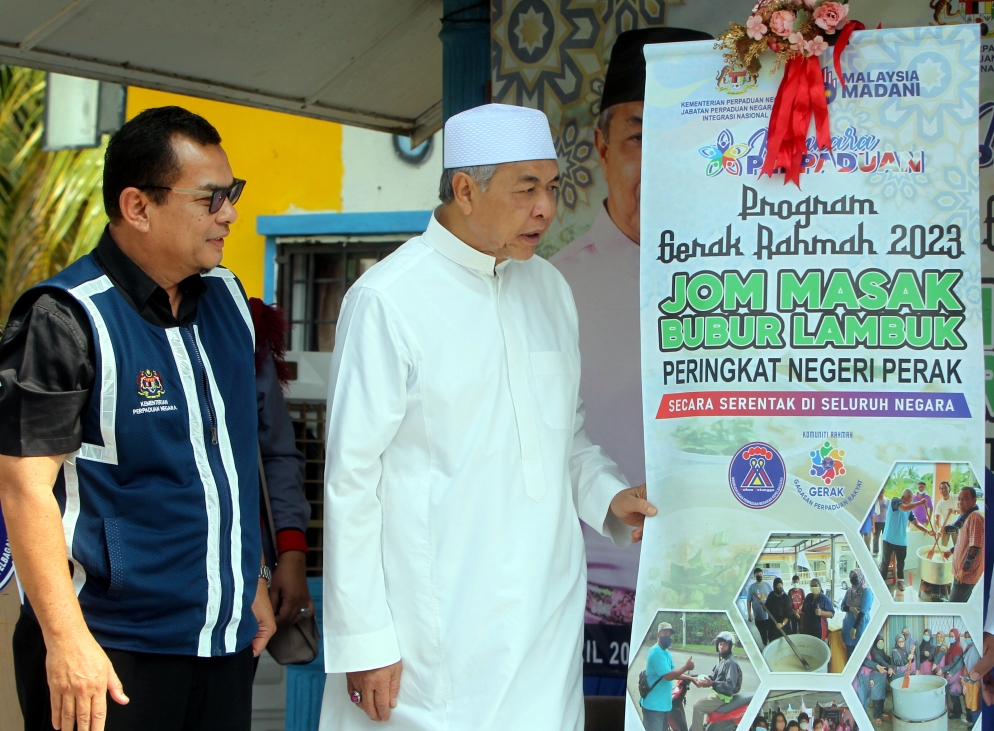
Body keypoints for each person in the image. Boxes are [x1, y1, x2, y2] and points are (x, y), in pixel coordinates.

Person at [317, 103, 654, 730]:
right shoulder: (388, 300)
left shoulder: (550, 289)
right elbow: (351, 481)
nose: (546, 209)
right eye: (526, 189)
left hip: (543, 629)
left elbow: (564, 435)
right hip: (434, 635)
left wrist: (609, 496)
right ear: (465, 190)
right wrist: (365, 640)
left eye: (552, 187)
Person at [0, 106, 275, 731]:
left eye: (232, 194)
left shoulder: (228, 299)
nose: (229, 213)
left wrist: (245, 577)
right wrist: (66, 642)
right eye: (211, 198)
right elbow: (22, 486)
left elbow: (228, 461)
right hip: (109, 654)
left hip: (223, 646)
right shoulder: (64, 318)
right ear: (138, 207)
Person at [548, 28, 712, 670]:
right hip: (589, 604)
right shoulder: (555, 285)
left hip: (720, 591)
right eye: (642, 138)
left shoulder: (756, 283)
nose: (661, 163)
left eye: (683, 138)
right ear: (603, 147)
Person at [249, 298, 312, 627]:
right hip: (135, 586)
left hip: (246, 580)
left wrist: (291, 552)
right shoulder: (90, 312)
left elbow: (274, 452)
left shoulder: (241, 322)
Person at [640, 622, 694, 731]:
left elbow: (674, 673)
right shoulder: (656, 652)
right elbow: (668, 676)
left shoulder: (666, 652)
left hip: (665, 705)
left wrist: (691, 678)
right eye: (665, 633)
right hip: (653, 707)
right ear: (658, 634)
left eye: (669, 635)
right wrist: (686, 667)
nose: (668, 637)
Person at [684, 631, 742, 731]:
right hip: (717, 694)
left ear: (730, 646)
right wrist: (700, 679)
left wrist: (712, 683)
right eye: (720, 644)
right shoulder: (722, 659)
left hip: (721, 697)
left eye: (724, 644)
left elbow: (729, 686)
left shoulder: (731, 662)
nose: (721, 647)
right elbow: (713, 676)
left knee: (698, 707)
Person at [942, 486, 985, 602]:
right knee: (958, 598)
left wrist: (963, 570)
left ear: (974, 500)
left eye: (965, 499)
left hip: (965, 576)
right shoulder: (966, 517)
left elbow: (975, 547)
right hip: (961, 573)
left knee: (955, 605)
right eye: (959, 499)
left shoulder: (975, 517)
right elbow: (964, 542)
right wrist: (951, 551)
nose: (960, 502)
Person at [880, 489, 919, 590]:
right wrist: (920, 503)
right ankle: (881, 582)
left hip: (901, 541)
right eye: (909, 499)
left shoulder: (909, 508)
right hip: (889, 538)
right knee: (885, 561)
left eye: (911, 500)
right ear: (904, 497)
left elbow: (915, 523)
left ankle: (900, 581)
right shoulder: (895, 501)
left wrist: (928, 532)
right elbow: (904, 508)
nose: (910, 502)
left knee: (901, 562)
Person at [841, 569, 872, 658]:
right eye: (850, 576)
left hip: (861, 626)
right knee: (850, 655)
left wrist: (854, 628)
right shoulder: (849, 591)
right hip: (848, 625)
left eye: (854, 576)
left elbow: (863, 611)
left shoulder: (866, 592)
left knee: (861, 656)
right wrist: (850, 608)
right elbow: (842, 607)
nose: (852, 578)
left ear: (860, 576)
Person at [862, 637, 893, 724]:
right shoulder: (873, 652)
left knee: (882, 696)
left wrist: (887, 677)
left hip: (882, 676)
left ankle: (881, 712)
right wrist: (871, 679)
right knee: (876, 697)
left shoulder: (882, 652)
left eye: (882, 642)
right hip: (875, 676)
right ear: (876, 643)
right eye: (879, 642)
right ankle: (876, 716)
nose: (881, 644)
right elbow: (878, 661)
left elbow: (884, 661)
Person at [943, 628, 966, 719]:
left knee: (954, 694)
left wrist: (950, 672)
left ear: (957, 637)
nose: (951, 638)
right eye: (950, 636)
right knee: (953, 695)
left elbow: (957, 664)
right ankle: (958, 711)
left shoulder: (957, 648)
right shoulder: (952, 647)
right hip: (952, 674)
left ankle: (957, 714)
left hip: (955, 674)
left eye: (953, 636)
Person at [764, 578, 794, 644]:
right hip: (772, 625)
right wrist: (762, 604)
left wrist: (782, 624)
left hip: (784, 626)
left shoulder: (786, 598)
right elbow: (766, 608)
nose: (779, 589)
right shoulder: (771, 595)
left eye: (780, 587)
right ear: (774, 587)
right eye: (777, 588)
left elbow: (788, 614)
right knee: (773, 642)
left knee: (784, 643)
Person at [747, 568, 771, 645]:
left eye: (760, 575)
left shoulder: (768, 586)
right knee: (763, 634)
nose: (759, 576)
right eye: (757, 575)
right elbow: (748, 601)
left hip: (768, 615)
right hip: (758, 616)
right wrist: (750, 615)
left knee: (770, 634)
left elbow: (772, 598)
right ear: (754, 576)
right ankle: (765, 645)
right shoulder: (751, 587)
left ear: (762, 575)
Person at [932, 480, 958, 548]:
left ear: (949, 488)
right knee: (943, 548)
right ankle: (943, 558)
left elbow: (964, 508)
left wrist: (954, 511)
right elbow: (936, 519)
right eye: (941, 488)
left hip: (956, 525)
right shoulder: (939, 504)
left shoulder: (956, 498)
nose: (944, 490)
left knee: (958, 547)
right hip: (945, 527)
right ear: (940, 491)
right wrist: (938, 530)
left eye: (945, 487)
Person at [872, 489, 887, 558]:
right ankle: (875, 551)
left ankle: (885, 551)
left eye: (882, 491)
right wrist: (873, 525)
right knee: (876, 538)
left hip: (885, 522)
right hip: (876, 522)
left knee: (886, 538)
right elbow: (872, 513)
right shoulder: (874, 501)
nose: (881, 493)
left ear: (884, 492)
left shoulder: (887, 500)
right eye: (880, 491)